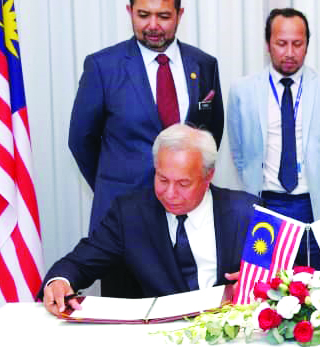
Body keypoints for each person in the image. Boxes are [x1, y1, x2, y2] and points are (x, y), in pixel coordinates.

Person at [68, 0, 224, 296]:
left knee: (185, 315)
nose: (153, 25)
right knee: (124, 321)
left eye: (163, 16)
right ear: (130, 12)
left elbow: (210, 135)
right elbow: (81, 140)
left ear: (180, 14)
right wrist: (116, 180)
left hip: (187, 220)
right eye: (143, 15)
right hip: (123, 219)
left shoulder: (204, 65)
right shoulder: (103, 66)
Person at [43, 125, 256, 316]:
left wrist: (261, 283)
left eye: (183, 184)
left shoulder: (247, 213)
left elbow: (287, 276)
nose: (170, 193)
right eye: (162, 179)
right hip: (158, 340)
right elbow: (79, 263)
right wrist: (59, 281)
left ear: (208, 176)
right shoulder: (129, 214)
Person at [227, 8, 320, 271]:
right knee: (266, 285)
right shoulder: (242, 91)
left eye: (298, 44)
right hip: (266, 204)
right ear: (268, 44)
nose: (290, 52)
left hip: (314, 204)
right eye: (281, 43)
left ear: (307, 44)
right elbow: (240, 152)